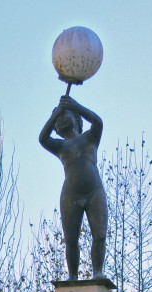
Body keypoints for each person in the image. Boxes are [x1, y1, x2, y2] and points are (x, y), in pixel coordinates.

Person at [39, 95, 108, 279]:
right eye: (57, 121)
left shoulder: (90, 138)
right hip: (70, 195)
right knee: (71, 240)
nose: (60, 121)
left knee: (100, 235)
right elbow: (42, 138)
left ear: (76, 118)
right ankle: (73, 275)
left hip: (94, 192)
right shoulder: (60, 146)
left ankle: (97, 272)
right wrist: (57, 112)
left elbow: (98, 122)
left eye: (64, 116)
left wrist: (75, 106)